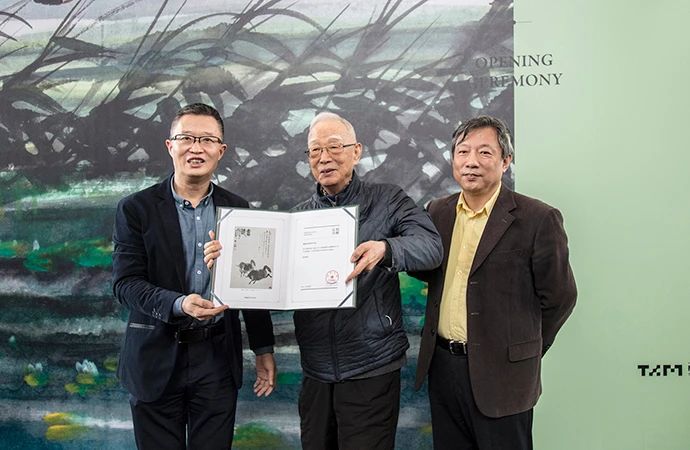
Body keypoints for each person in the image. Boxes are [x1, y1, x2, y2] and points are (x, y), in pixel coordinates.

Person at [112, 103, 276, 450]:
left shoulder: (238, 209)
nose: (196, 148)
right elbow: (125, 285)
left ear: (221, 150)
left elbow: (255, 287)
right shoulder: (136, 209)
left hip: (216, 357)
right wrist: (179, 303)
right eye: (186, 138)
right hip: (154, 355)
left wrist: (263, 349)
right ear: (170, 145)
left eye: (207, 140)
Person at [410, 115, 577, 449]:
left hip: (504, 376)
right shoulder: (437, 212)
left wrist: (524, 349)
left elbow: (560, 298)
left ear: (505, 161)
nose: (471, 161)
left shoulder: (537, 218)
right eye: (463, 152)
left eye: (484, 152)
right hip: (444, 367)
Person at [291, 112, 443, 450]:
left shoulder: (388, 200)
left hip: (372, 366)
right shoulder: (298, 218)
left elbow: (431, 247)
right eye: (315, 150)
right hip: (315, 371)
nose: (324, 158)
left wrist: (386, 249)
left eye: (334, 147)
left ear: (356, 151)